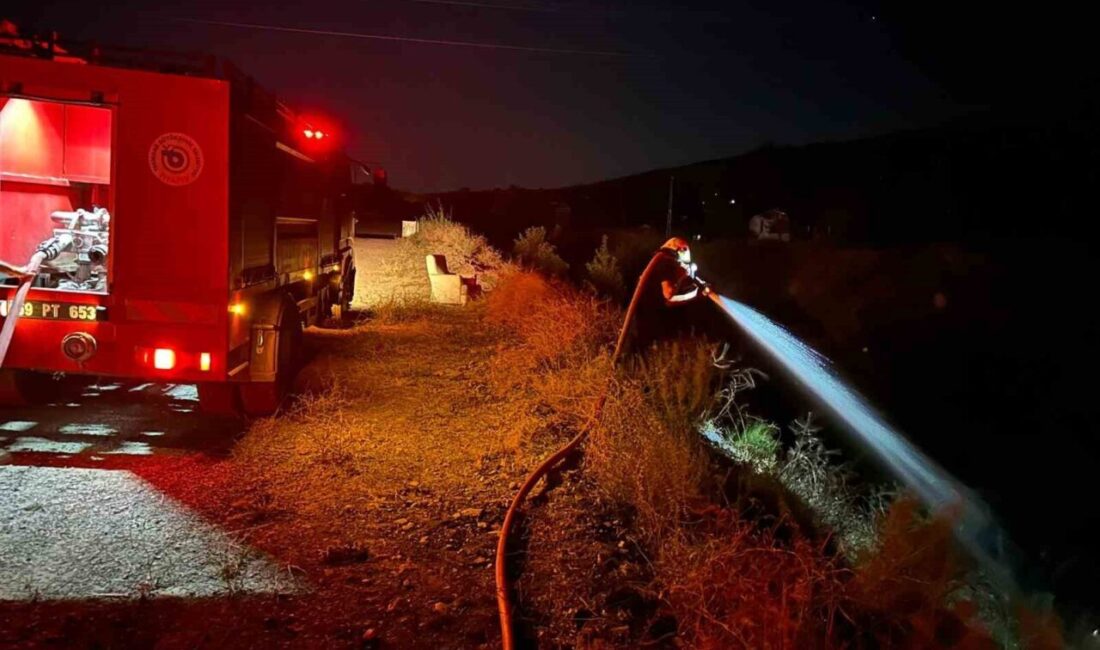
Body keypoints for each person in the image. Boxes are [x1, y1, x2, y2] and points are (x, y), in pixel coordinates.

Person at [630, 237, 710, 349]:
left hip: (644, 314)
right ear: (680, 250)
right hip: (652, 317)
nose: (681, 265)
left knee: (644, 348)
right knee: (651, 349)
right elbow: (669, 295)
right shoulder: (666, 262)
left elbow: (669, 297)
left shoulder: (658, 259)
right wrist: (697, 294)